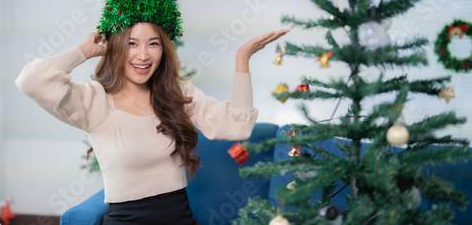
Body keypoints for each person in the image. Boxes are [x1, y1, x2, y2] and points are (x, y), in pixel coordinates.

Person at [15, 21, 288, 224]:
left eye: (153, 43)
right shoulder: (93, 99)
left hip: (180, 218)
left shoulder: (176, 93)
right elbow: (31, 81)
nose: (143, 55)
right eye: (132, 43)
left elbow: (237, 126)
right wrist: (83, 51)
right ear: (117, 47)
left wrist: (242, 59)